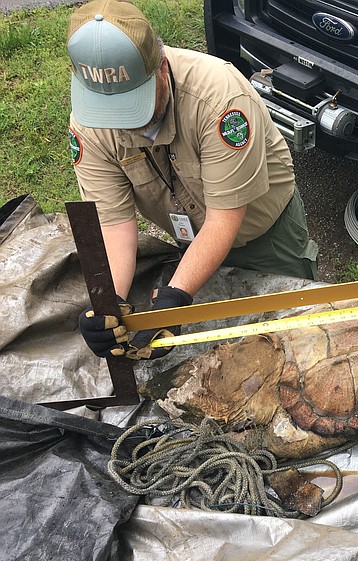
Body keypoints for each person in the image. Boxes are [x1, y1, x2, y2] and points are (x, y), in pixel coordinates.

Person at [69, 0, 318, 360]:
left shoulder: (220, 99)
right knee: (222, 354)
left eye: (132, 103)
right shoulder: (88, 123)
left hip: (264, 235)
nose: (123, 122)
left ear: (161, 67)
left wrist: (176, 296)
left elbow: (224, 217)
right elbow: (114, 223)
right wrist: (112, 303)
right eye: (110, 109)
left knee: (297, 340)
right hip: (190, 239)